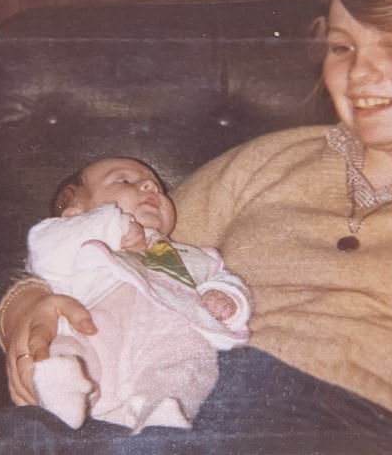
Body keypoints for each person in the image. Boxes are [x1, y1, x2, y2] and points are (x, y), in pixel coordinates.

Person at [0, 0, 392, 454]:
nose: (360, 74)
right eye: (343, 47)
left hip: (350, 423)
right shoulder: (271, 160)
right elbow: (141, 249)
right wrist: (24, 306)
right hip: (179, 401)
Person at [25, 157, 250, 432]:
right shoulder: (73, 236)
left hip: (167, 337)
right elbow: (43, 247)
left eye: (157, 187)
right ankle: (63, 388)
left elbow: (222, 278)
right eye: (125, 180)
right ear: (75, 214)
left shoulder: (189, 256)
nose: (149, 186)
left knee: (192, 362)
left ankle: (161, 411)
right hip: (96, 325)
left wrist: (225, 297)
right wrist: (113, 225)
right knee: (68, 346)